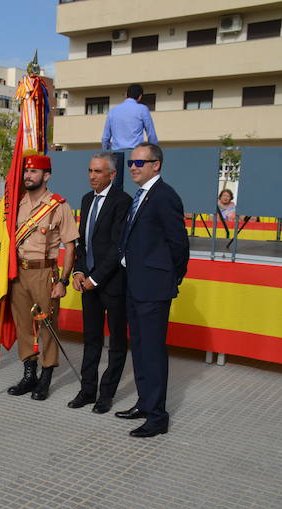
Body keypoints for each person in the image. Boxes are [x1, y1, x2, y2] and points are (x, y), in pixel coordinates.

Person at [115, 142, 189, 438]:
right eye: (131, 162)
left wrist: (171, 277)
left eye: (139, 163)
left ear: (156, 165)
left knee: (154, 352)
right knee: (142, 349)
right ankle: (145, 403)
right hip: (135, 285)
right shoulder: (143, 195)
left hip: (154, 288)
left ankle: (158, 416)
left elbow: (179, 244)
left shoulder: (164, 196)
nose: (133, 167)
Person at [4, 154, 79, 401]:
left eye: (34, 172)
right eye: (26, 172)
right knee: (23, 324)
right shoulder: (16, 204)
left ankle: (46, 377)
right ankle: (29, 374)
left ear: (46, 176)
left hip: (45, 273)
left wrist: (63, 281)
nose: (28, 176)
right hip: (19, 272)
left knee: (47, 326)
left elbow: (70, 247)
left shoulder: (59, 206)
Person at [69, 153, 131, 414]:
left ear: (112, 175)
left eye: (98, 171)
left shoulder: (123, 202)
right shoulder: (86, 199)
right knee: (91, 339)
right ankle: (87, 390)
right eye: (90, 170)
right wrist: (79, 272)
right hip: (88, 284)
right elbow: (83, 242)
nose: (92, 176)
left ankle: (106, 395)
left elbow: (118, 247)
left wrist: (96, 278)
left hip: (113, 284)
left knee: (116, 342)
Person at [101, 84, 158, 190]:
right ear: (140, 97)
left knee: (115, 189)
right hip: (136, 155)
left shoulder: (113, 110)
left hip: (116, 155)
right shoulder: (142, 109)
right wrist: (153, 154)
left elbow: (105, 138)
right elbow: (151, 134)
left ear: (126, 95)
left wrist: (106, 156)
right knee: (139, 187)